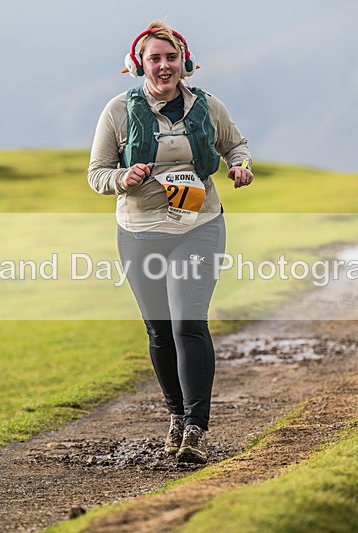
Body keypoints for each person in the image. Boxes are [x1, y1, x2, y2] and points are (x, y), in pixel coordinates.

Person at [87, 21, 253, 464]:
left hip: (199, 225)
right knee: (159, 330)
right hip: (140, 231)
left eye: (171, 57)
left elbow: (235, 145)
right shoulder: (118, 112)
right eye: (155, 58)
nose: (164, 66)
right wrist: (124, 176)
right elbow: (96, 174)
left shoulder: (208, 106)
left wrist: (240, 166)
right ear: (139, 63)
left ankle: (197, 428)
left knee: (188, 323)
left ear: (184, 62)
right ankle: (176, 416)